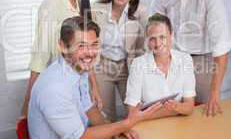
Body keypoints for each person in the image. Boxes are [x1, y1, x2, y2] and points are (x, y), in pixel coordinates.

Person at [28, 16, 161, 139]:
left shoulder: (79, 69)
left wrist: (116, 129)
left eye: (94, 44)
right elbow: (80, 136)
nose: (90, 53)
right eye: (81, 46)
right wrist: (126, 124)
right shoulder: (55, 88)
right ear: (63, 46)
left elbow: (89, 109)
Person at [149, 0, 231, 116]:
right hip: (172, 59)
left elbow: (221, 44)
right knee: (170, 111)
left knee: (204, 111)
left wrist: (215, 93)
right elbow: (155, 33)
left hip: (203, 60)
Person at [21, 0, 102, 118]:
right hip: (60, 84)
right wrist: (27, 103)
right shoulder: (51, 6)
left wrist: (94, 86)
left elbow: (87, 53)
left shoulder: (82, 5)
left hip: (79, 82)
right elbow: (40, 56)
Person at [91, 0, 148, 121]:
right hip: (102, 67)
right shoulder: (97, 8)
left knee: (135, 112)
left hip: (127, 67)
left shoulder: (141, 11)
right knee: (105, 115)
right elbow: (89, 43)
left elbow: (143, 47)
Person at [125, 13, 195, 120]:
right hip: (149, 127)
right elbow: (132, 112)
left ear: (172, 35)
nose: (157, 44)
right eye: (152, 39)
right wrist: (176, 109)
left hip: (179, 124)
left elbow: (189, 107)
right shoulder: (138, 64)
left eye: (162, 37)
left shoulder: (185, 60)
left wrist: (145, 114)